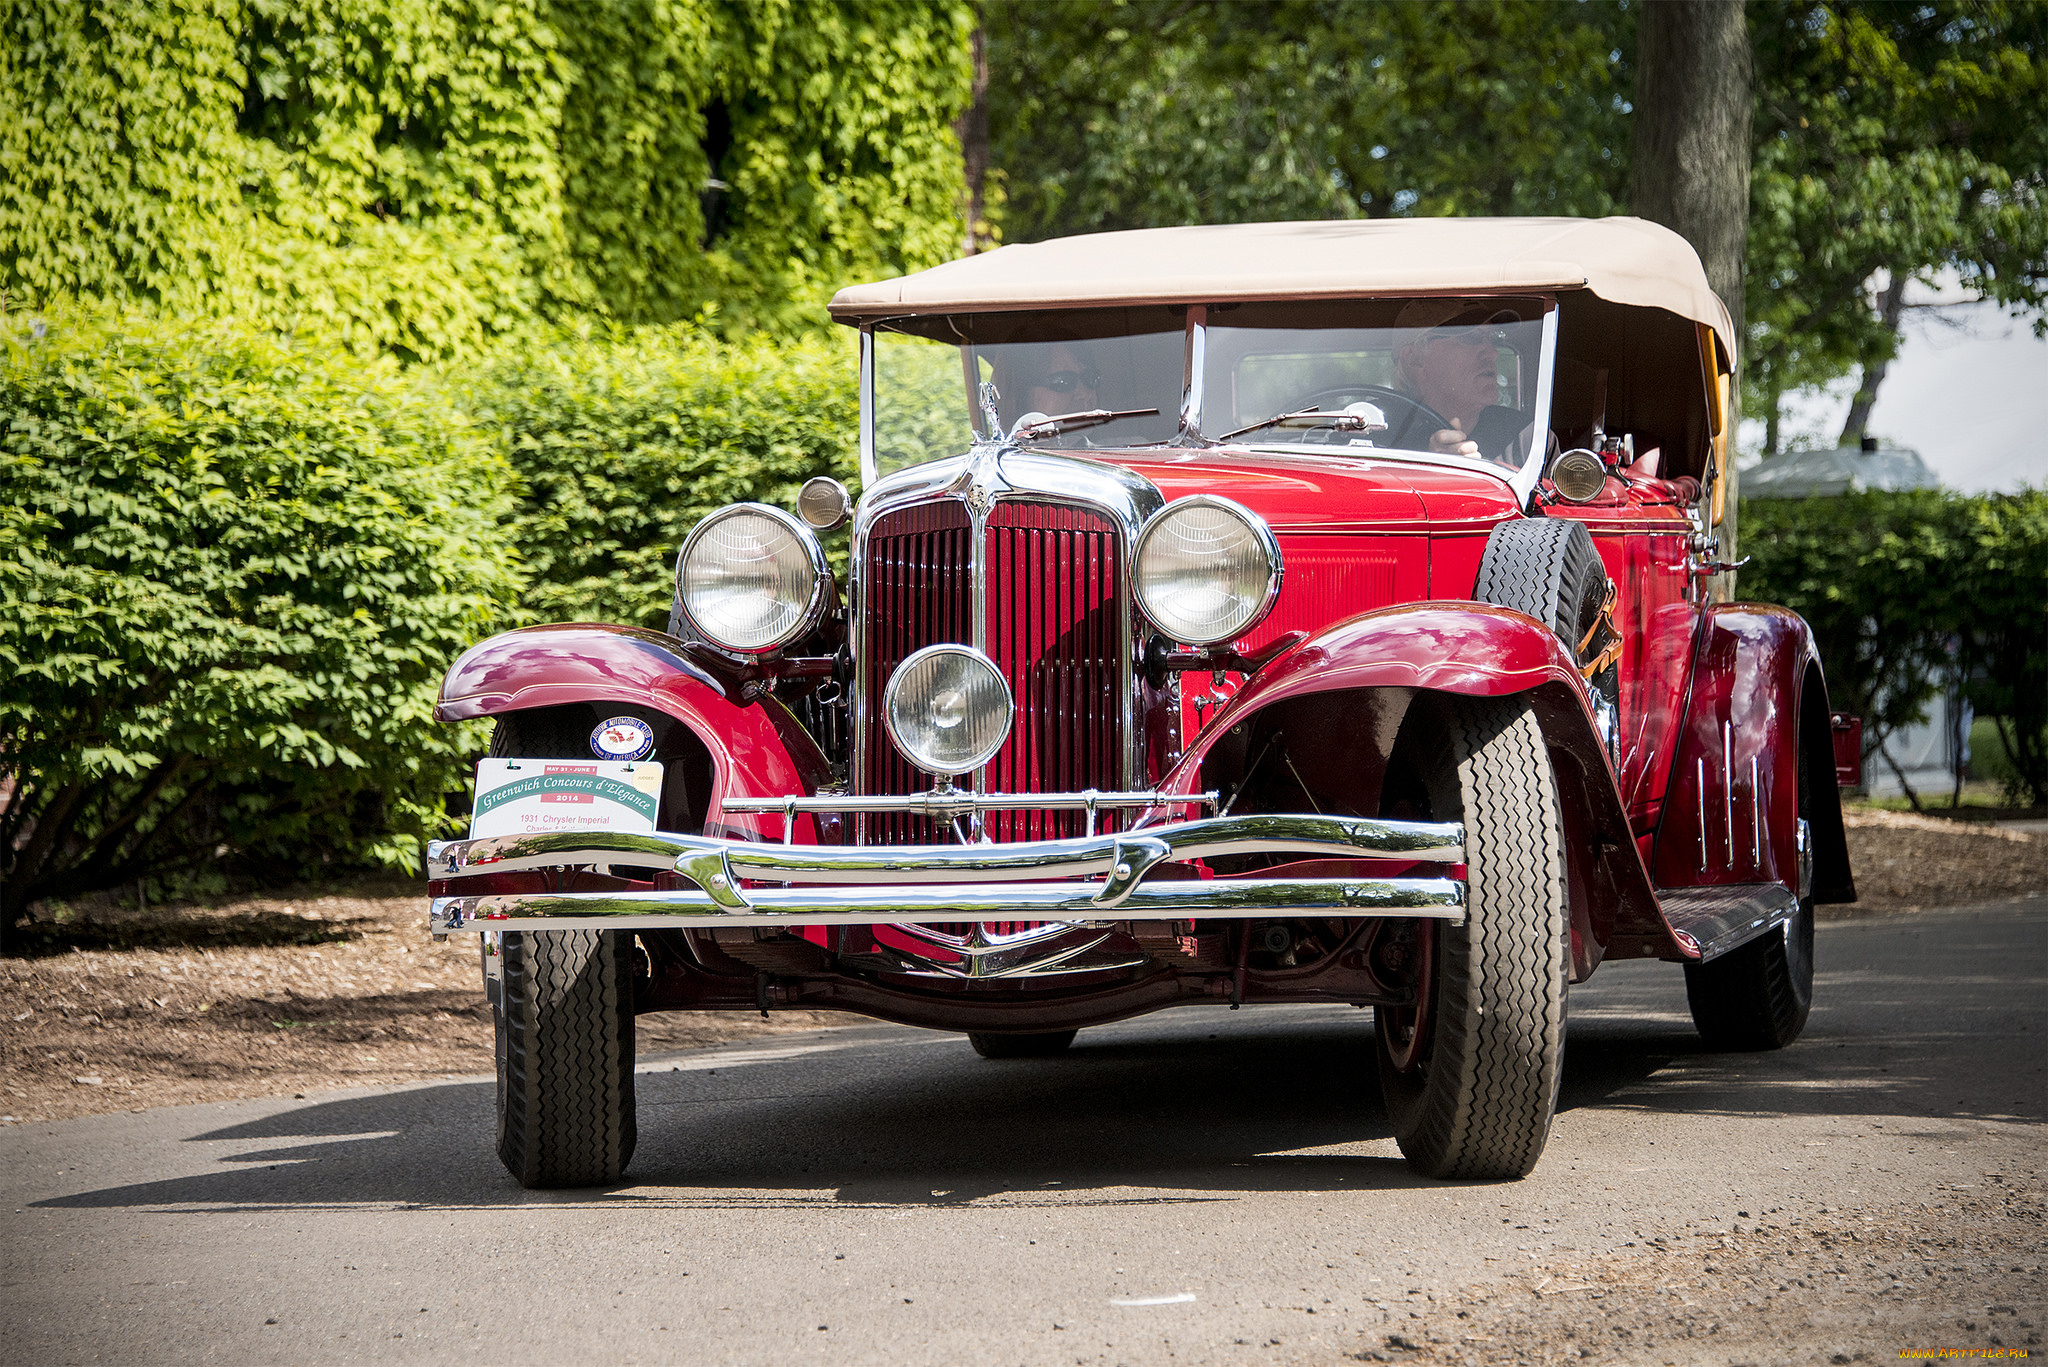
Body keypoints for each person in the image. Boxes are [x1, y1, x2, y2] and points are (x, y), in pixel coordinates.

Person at [1389, 300, 1523, 458]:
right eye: (1470, 337)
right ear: (1414, 359)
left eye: (1493, 339)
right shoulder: (1375, 435)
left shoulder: (1528, 439)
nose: (1493, 353)